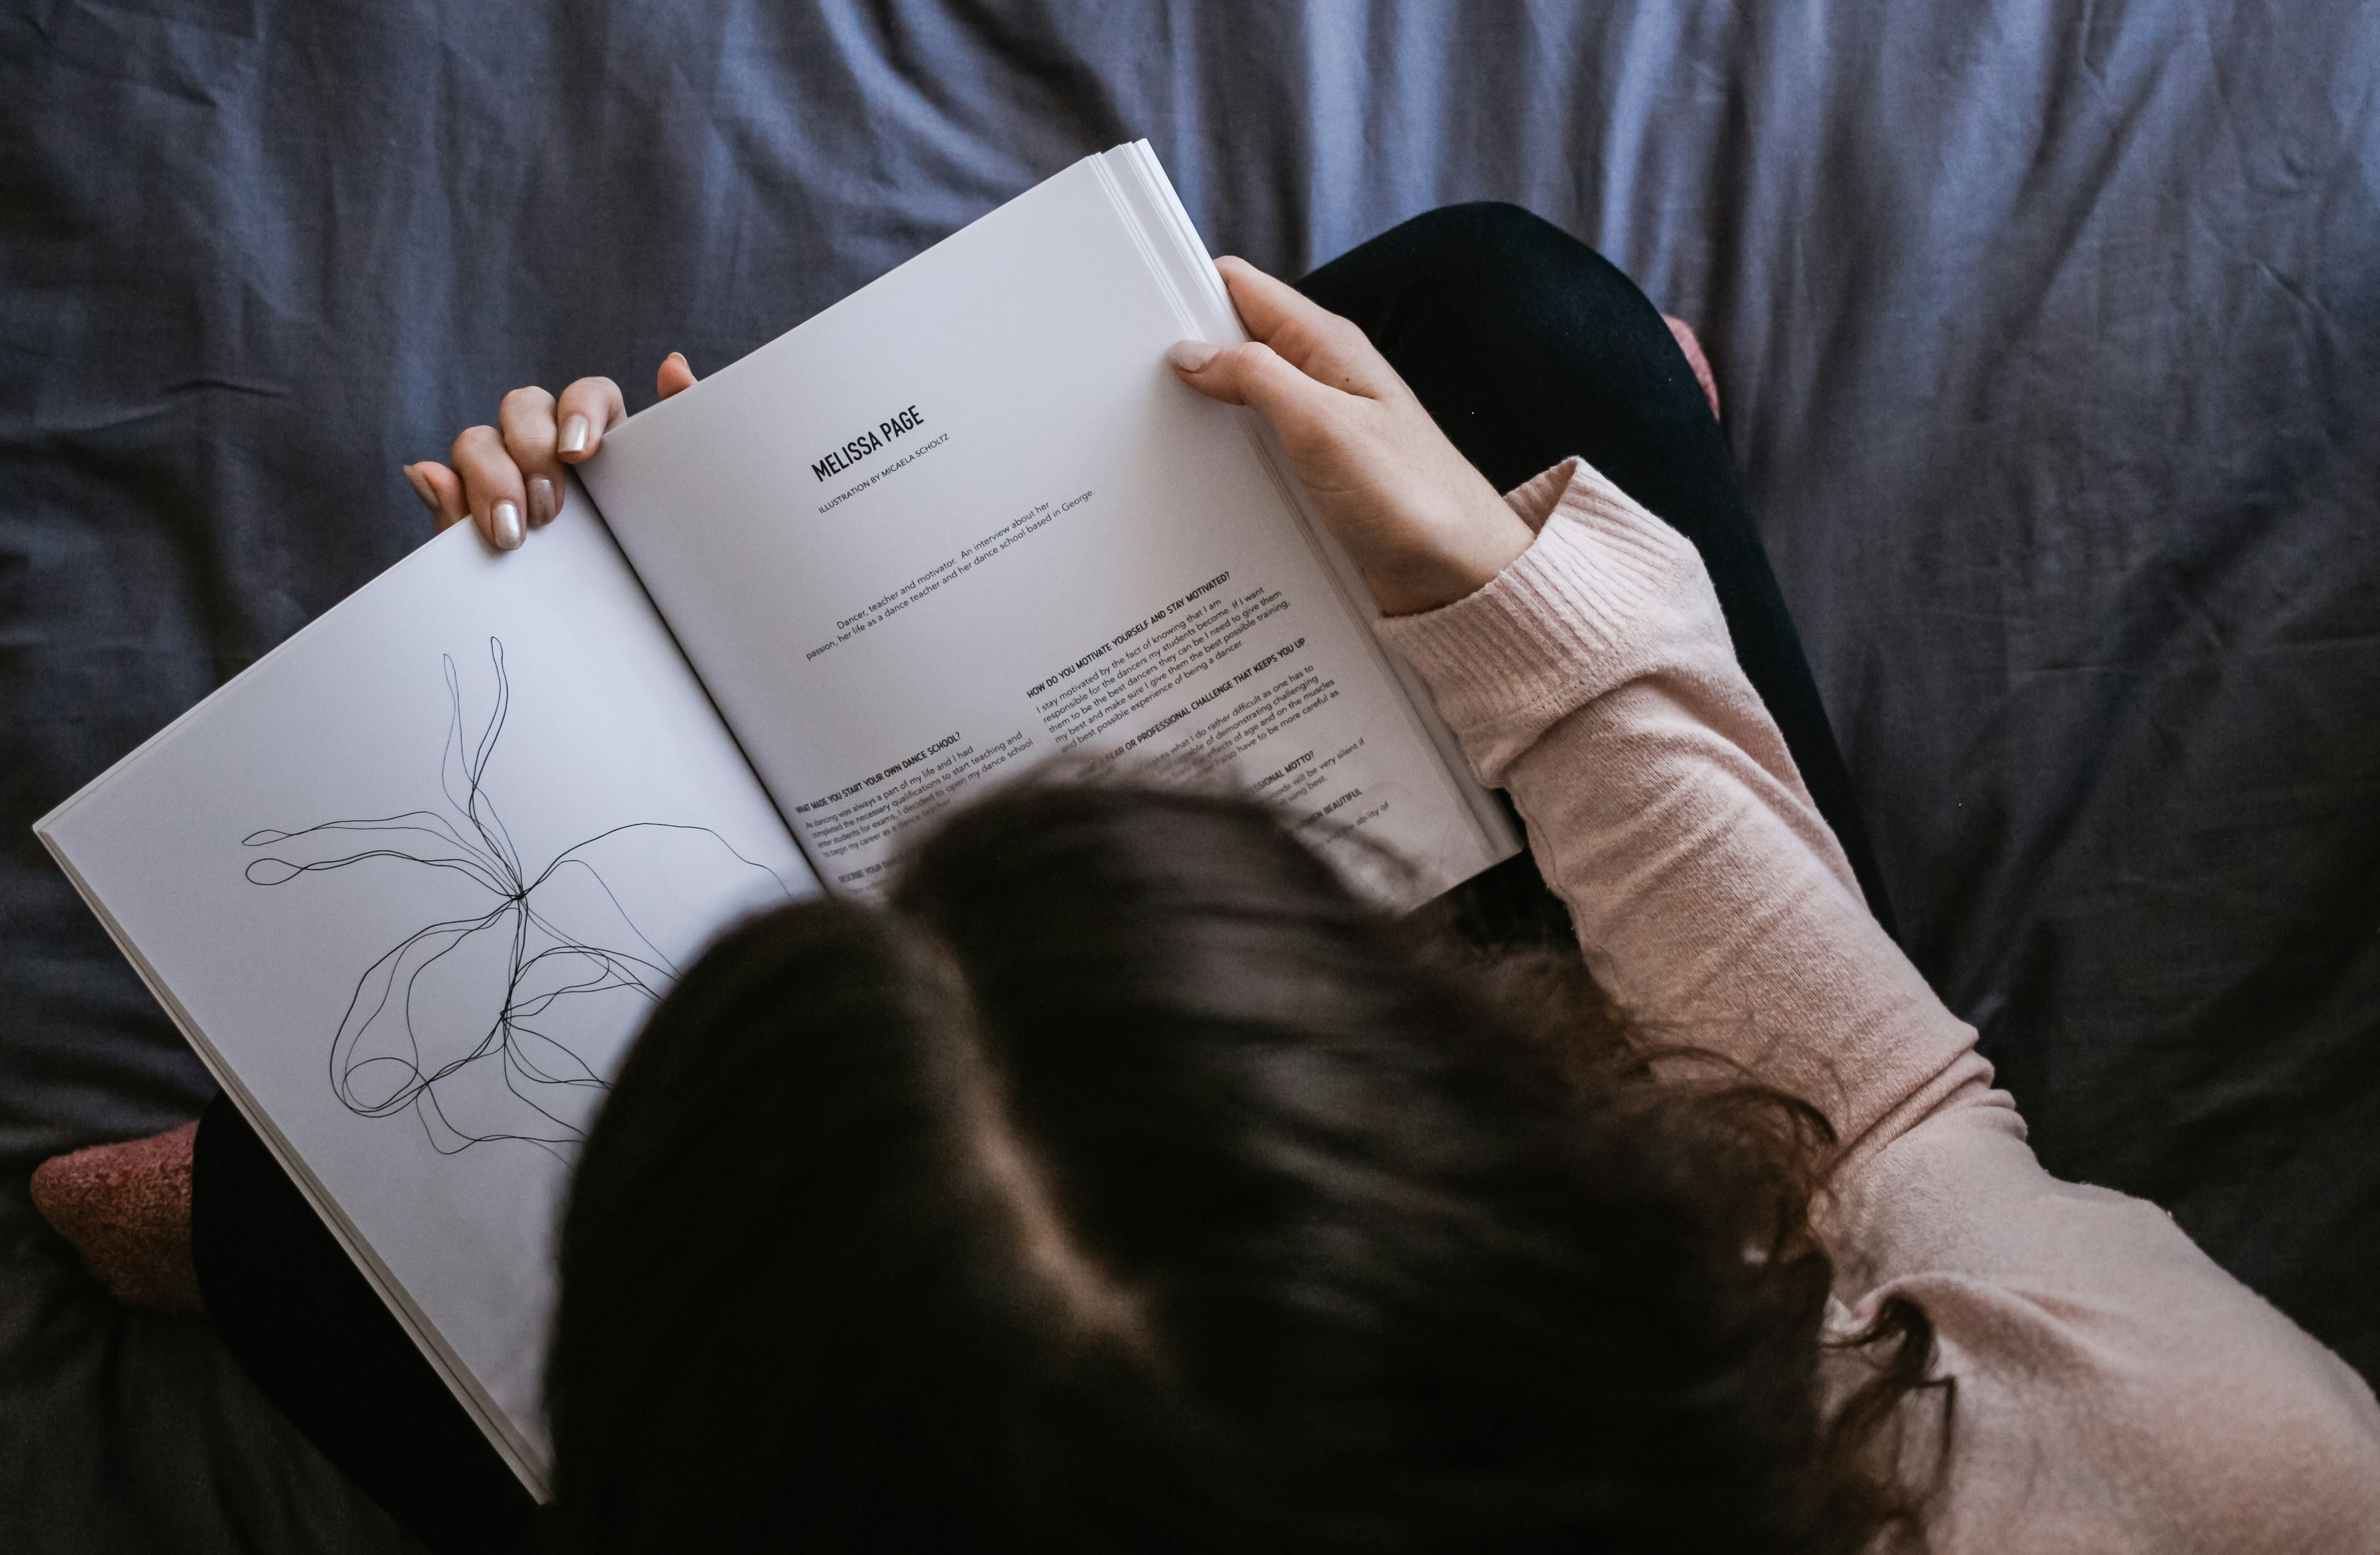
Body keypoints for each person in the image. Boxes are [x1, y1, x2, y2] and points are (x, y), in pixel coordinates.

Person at [33, 207, 2380, 1552]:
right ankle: (1603, 517)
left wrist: (608, 668)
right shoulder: (2184, 1468)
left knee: (304, 1233)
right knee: (1507, 333)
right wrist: (1533, 618)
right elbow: (1892, 1128)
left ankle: (283, 1241)